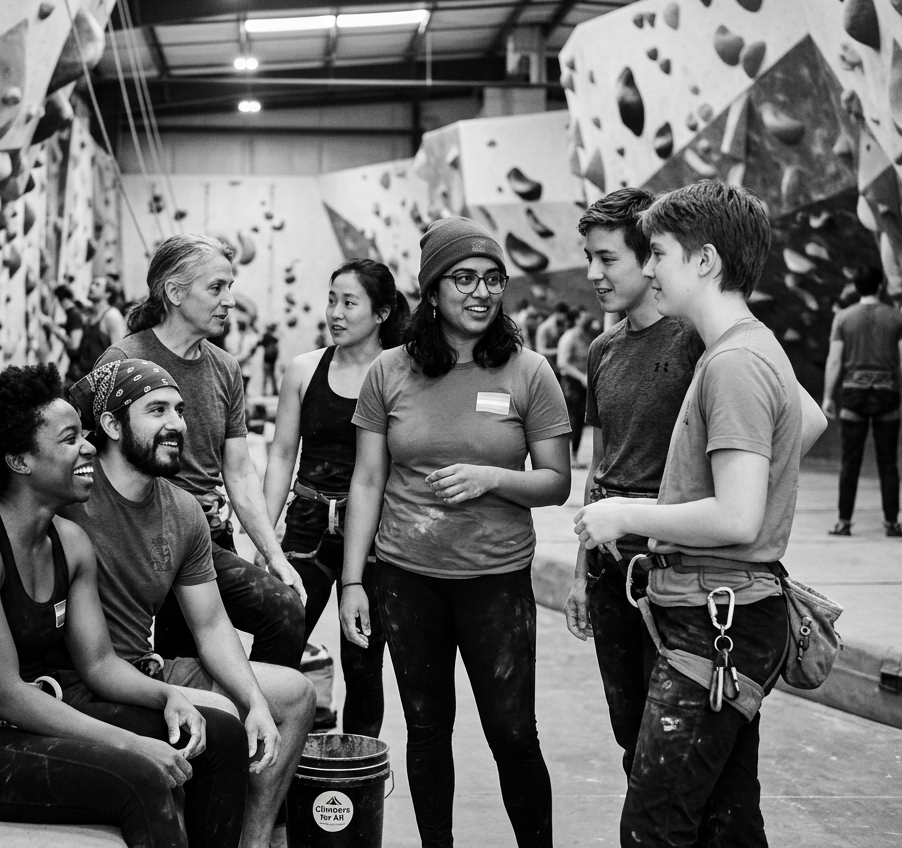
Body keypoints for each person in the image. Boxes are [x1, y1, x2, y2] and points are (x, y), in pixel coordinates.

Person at [0, 360, 316, 848]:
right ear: (20, 461)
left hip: (54, 698)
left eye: (180, 410)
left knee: (225, 732)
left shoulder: (72, 539)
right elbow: (7, 694)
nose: (86, 447)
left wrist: (169, 696)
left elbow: (104, 661)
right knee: (143, 777)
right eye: (70, 439)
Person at [573, 181, 827, 847]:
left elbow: (738, 518)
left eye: (656, 252)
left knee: (656, 824)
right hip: (713, 601)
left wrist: (631, 515)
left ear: (705, 260)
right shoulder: (737, 349)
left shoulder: (731, 361)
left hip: (718, 609)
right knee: (727, 817)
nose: (648, 266)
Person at [340, 217, 572, 847]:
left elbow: (556, 482)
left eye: (493, 279)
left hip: (495, 580)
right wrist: (353, 581)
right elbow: (368, 480)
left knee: (513, 734)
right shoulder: (389, 371)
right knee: (425, 729)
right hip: (406, 577)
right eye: (463, 278)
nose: (481, 291)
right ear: (433, 290)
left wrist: (490, 478)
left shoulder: (530, 372)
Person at [100, 234, 308, 671]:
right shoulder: (124, 360)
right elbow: (93, 458)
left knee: (278, 612)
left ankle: (259, 708)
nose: (229, 300)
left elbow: (240, 472)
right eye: (216, 288)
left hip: (207, 534)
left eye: (230, 286)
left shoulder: (225, 368)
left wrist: (274, 554)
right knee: (197, 652)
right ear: (175, 293)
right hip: (144, 536)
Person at [561, 188, 707, 778]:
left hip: (675, 571)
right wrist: (581, 573)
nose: (593, 274)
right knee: (630, 735)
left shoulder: (697, 337)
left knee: (679, 742)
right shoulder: (602, 349)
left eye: (607, 258)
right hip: (609, 570)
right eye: (588, 258)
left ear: (650, 258)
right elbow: (600, 468)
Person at [262, 259, 409, 738]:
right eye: (331, 300)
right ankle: (268, 764)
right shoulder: (304, 369)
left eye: (349, 302)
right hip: (306, 526)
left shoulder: (402, 373)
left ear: (382, 313)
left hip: (372, 534)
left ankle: (356, 770)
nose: (335, 313)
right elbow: (282, 454)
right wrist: (266, 539)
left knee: (363, 665)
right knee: (276, 651)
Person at [821, 265, 902, 538]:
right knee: (888, 462)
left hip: (854, 396)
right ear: (881, 286)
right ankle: (892, 524)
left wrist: (828, 396)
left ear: (856, 287)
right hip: (887, 395)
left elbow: (834, 360)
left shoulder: (843, 318)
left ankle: (844, 522)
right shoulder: (897, 318)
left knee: (850, 462)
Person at [556, 314, 601, 467]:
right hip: (571, 383)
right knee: (572, 420)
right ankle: (566, 457)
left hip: (584, 383)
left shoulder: (586, 336)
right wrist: (581, 377)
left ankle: (574, 455)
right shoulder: (569, 337)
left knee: (581, 420)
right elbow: (562, 363)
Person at [533, 301, 570, 371]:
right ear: (557, 313)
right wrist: (559, 351)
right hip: (547, 366)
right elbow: (540, 351)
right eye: (564, 315)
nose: (565, 319)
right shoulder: (544, 328)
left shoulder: (564, 325)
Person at [259, 324, 280, 396]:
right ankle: (275, 390)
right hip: (273, 359)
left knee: (265, 375)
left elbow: (261, 343)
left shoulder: (266, 336)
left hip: (267, 358)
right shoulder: (274, 338)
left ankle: (264, 391)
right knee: (272, 375)